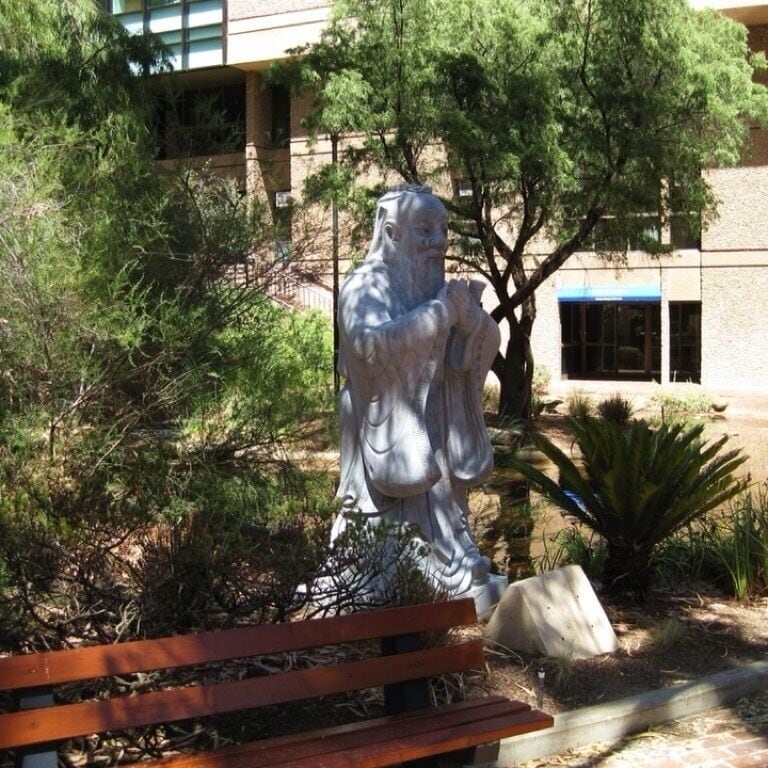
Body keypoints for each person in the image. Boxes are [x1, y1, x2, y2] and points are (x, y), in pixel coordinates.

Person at [332, 184, 501, 595]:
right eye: (425, 230)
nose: (440, 242)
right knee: (386, 538)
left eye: (444, 230)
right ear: (390, 232)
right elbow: (369, 347)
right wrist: (441, 313)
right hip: (386, 424)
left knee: (441, 503)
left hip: (435, 421)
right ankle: (381, 569)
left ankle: (450, 557)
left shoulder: (431, 288)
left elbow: (480, 346)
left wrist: (472, 322)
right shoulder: (365, 286)